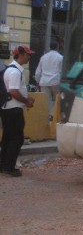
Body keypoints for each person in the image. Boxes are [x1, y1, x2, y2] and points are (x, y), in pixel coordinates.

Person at [0, 45, 36, 177]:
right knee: (17, 138)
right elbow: (13, 91)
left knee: (7, 138)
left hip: (6, 108)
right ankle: (9, 167)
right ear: (20, 54)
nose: (29, 57)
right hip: (14, 109)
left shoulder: (9, 69)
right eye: (27, 54)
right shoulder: (15, 72)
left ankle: (3, 165)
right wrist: (26, 101)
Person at [35, 40, 63, 124]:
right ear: (57, 47)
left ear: (49, 47)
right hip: (55, 81)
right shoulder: (60, 57)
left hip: (44, 82)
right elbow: (62, 71)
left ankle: (49, 119)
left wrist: (38, 81)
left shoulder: (43, 57)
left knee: (47, 101)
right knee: (58, 100)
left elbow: (38, 72)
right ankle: (56, 118)